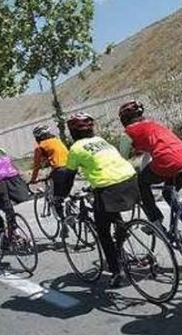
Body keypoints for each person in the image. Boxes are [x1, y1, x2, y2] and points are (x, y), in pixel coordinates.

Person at [64, 112, 140, 287]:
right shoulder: (101, 141)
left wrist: (61, 196)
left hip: (107, 187)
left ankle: (116, 271)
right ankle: (121, 236)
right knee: (113, 213)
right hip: (130, 179)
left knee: (103, 231)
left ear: (72, 132)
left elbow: (68, 177)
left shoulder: (75, 148)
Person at [118, 100, 182, 228]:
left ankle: (155, 221)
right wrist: (144, 172)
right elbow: (148, 155)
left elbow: (122, 160)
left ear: (124, 119)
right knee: (169, 193)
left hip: (167, 161)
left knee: (141, 183)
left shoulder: (128, 132)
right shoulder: (154, 124)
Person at [29, 125, 69, 222]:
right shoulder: (57, 140)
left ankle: (64, 222)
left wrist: (33, 180)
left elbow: (36, 167)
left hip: (59, 170)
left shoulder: (40, 147)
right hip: (71, 167)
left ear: (37, 137)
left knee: (56, 200)